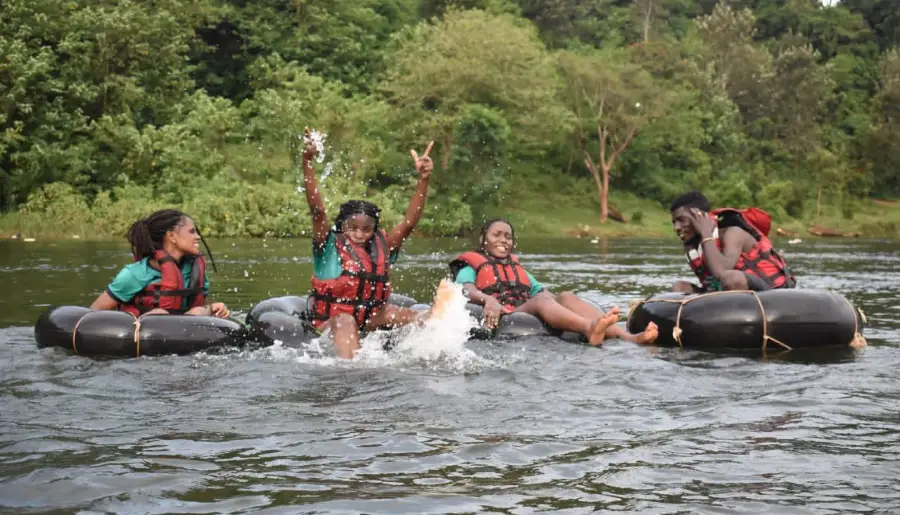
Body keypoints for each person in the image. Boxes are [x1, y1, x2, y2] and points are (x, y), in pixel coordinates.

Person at [301, 128, 435, 359]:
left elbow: (408, 223)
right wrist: (307, 162)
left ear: (374, 230)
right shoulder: (328, 246)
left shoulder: (381, 245)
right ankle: (352, 371)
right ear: (342, 226)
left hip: (371, 318)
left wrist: (424, 180)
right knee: (344, 320)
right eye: (353, 228)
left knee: (411, 315)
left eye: (366, 229)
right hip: (330, 324)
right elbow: (317, 211)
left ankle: (435, 356)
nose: (359, 234)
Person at [449, 218, 659, 345]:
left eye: (508, 236)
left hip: (521, 308)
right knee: (541, 301)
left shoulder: (516, 268)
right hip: (504, 314)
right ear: (483, 240)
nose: (504, 240)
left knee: (564, 296)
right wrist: (488, 300)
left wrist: (563, 304)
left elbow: (542, 291)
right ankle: (589, 328)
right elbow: (465, 290)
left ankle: (629, 338)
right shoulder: (471, 266)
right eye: (497, 235)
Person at [89, 209, 230, 318]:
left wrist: (213, 308)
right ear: (172, 236)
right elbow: (93, 313)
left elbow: (199, 303)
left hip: (185, 334)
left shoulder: (194, 270)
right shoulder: (135, 274)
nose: (198, 237)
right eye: (192, 232)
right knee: (158, 313)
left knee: (199, 311)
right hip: (145, 340)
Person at [669, 191, 796, 293]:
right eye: (674, 222)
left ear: (700, 216)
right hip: (727, 295)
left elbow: (721, 272)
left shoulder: (733, 233)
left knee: (731, 278)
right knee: (679, 287)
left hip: (771, 292)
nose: (677, 228)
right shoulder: (693, 246)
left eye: (682, 220)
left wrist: (705, 232)